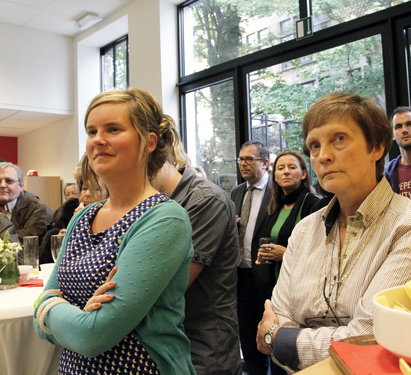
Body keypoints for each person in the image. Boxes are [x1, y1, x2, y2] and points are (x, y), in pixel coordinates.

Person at [256, 93, 411, 373]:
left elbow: (372, 340)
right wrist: (281, 337)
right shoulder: (303, 231)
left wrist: (278, 338)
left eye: (339, 139)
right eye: (314, 146)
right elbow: (280, 315)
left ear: (377, 147)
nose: (323, 156)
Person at [33, 88, 196, 374]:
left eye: (113, 129)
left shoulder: (164, 219)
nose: (98, 140)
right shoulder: (82, 217)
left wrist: (52, 308)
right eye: (91, 131)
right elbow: (39, 322)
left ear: (149, 142)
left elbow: (92, 335)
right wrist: (66, 312)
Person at [152, 118, 242, 375]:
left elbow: (166, 287)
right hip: (170, 345)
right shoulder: (155, 204)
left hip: (202, 351)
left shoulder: (204, 200)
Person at [231, 141, 274, 375]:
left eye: (249, 159)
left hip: (268, 274)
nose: (243, 164)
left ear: (265, 163)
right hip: (240, 274)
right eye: (240, 159)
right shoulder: (237, 192)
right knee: (247, 337)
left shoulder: (277, 191)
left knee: (272, 337)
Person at [256, 150, 327, 277]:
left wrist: (286, 254)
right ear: (275, 177)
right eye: (280, 168)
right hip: (276, 284)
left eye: (292, 167)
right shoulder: (274, 206)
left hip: (302, 284)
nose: (286, 172)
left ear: (303, 174)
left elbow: (322, 253)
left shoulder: (314, 204)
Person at [0, 162, 49, 246]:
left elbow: (27, 240)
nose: (2, 185)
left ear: (21, 186)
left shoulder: (36, 208)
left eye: (9, 181)